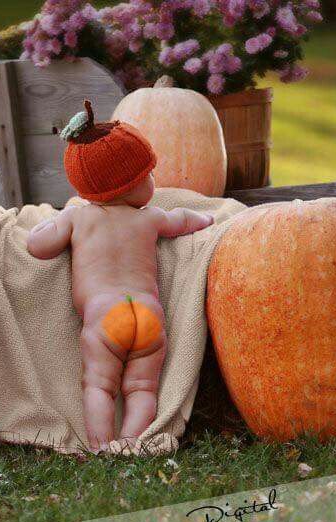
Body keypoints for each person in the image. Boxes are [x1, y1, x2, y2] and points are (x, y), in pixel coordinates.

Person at [27, 100, 214, 453]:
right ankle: (130, 442)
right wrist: (207, 221)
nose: (153, 183)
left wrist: (42, 227)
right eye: (147, 176)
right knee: (142, 388)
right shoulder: (151, 217)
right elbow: (186, 219)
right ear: (129, 183)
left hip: (105, 317)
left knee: (99, 385)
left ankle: (102, 446)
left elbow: (39, 246)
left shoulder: (77, 218)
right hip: (146, 314)